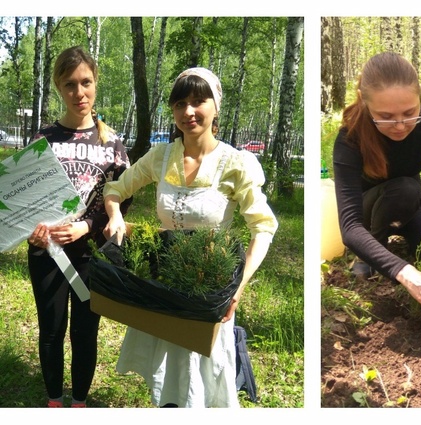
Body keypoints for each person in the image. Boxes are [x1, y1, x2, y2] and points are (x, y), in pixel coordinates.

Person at [102, 67, 278, 407]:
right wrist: (116, 216)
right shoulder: (161, 156)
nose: (189, 112)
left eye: (199, 101)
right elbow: (115, 190)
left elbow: (264, 226)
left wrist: (237, 288)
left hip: (209, 287)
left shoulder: (234, 163)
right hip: (164, 283)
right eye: (180, 103)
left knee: (206, 379)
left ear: (216, 107)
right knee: (168, 376)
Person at [27, 46, 132, 407]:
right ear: (58, 86)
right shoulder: (42, 141)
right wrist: (32, 229)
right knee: (52, 331)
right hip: (47, 252)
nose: (79, 93)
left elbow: (122, 199)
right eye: (70, 84)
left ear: (96, 83)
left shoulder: (112, 144)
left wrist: (86, 227)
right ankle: (55, 402)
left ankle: (79, 404)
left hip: (90, 256)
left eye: (86, 82)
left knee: (85, 333)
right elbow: (23, 198)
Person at [333, 52, 421, 312]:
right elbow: (350, 227)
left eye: (410, 113)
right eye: (386, 116)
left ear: (420, 99)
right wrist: (403, 271)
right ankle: (374, 248)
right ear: (366, 105)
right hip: (369, 212)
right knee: (404, 188)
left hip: (410, 201)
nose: (400, 125)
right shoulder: (350, 137)